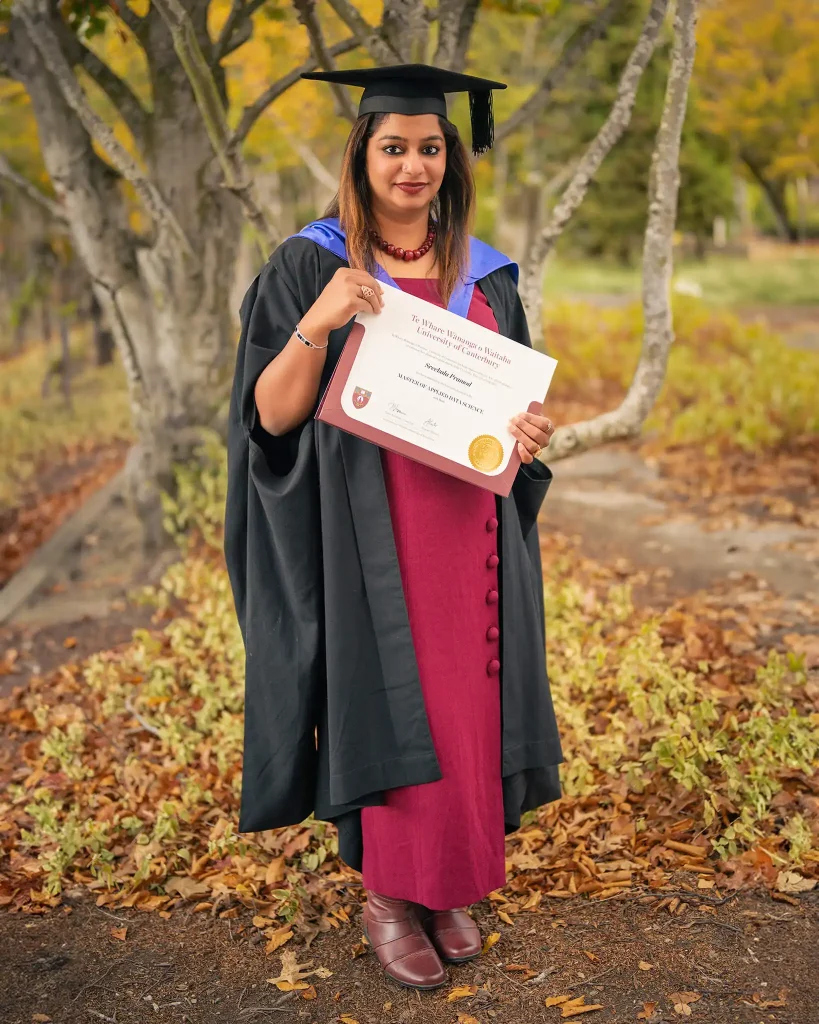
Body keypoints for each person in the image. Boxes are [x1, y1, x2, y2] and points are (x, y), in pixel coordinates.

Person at [224, 64, 563, 992]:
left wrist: (528, 433)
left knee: (466, 702)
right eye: (392, 148)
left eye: (428, 148)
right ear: (362, 156)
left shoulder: (483, 271)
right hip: (373, 531)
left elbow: (515, 406)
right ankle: (388, 892)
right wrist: (321, 319)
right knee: (390, 693)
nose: (411, 165)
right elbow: (270, 416)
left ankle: (447, 882)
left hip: (470, 526)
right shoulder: (311, 262)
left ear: (448, 159)